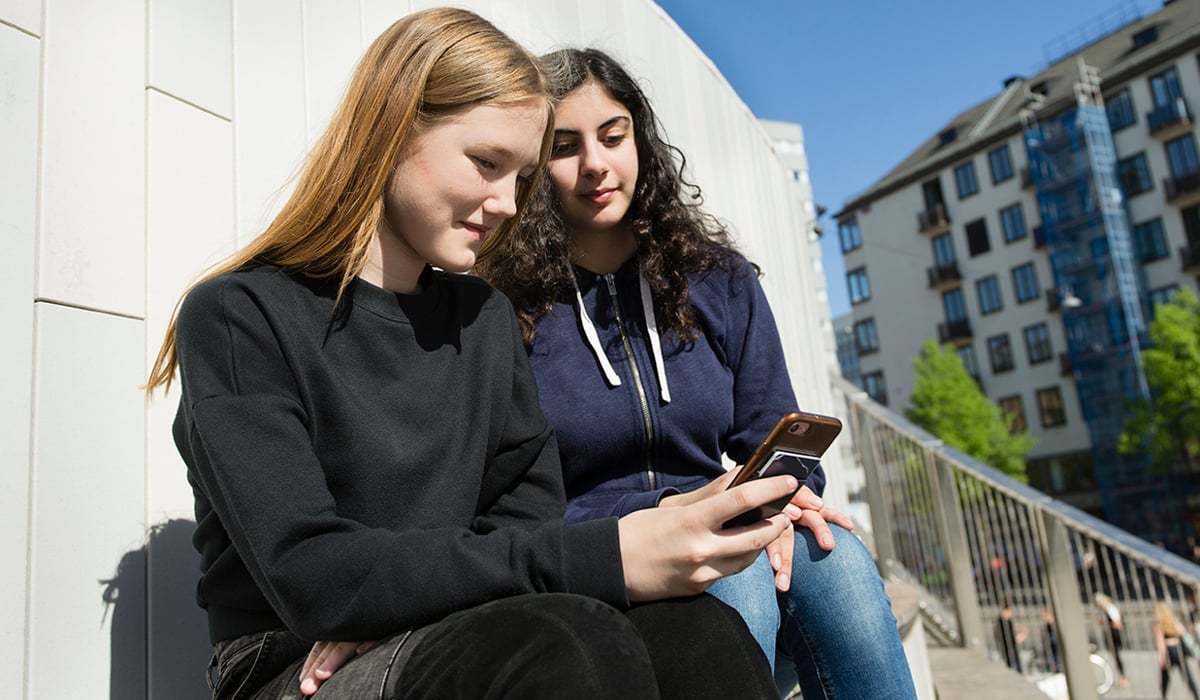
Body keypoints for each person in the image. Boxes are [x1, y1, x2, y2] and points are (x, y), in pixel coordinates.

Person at [145, 9, 796, 699]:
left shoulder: (483, 319)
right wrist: (614, 550)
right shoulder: (239, 315)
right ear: (393, 129)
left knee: (698, 633)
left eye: (521, 179)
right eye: (488, 164)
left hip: (470, 624)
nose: (510, 204)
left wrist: (400, 598)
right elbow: (314, 575)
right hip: (294, 664)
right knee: (562, 644)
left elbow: (525, 515)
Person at [476, 47, 917, 699]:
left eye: (613, 136)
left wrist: (777, 498)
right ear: (534, 165)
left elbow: (774, 430)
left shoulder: (718, 280)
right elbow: (511, 505)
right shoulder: (503, 307)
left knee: (838, 558)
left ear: (640, 143)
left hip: (724, 515)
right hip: (605, 553)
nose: (595, 164)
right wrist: (670, 508)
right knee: (729, 573)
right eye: (565, 146)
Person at [1154, 599, 1199, 699]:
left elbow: (1160, 642)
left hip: (1168, 651)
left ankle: (1163, 697)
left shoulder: (1159, 624)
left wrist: (1162, 658)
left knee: (1165, 678)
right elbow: (1183, 633)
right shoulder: (1173, 621)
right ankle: (1196, 695)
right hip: (1178, 649)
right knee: (1188, 676)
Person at [1094, 592, 1129, 687]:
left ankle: (1123, 677)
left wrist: (1106, 623)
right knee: (1115, 656)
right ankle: (1122, 676)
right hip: (1111, 636)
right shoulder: (1105, 610)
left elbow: (1117, 624)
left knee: (1117, 656)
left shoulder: (1111, 609)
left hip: (1115, 636)